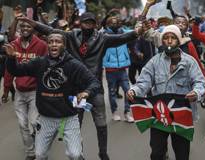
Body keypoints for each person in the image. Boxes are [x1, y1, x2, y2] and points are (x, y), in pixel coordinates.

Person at [18, 12, 141, 160]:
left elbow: (122, 38)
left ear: (95, 25)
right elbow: (51, 31)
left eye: (90, 23)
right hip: (75, 90)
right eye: (85, 23)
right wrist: (32, 23)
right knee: (75, 125)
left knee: (101, 123)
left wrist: (137, 32)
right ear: (80, 23)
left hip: (94, 88)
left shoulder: (103, 38)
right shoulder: (70, 36)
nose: (87, 26)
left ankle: (103, 153)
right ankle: (79, 155)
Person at [4, 31, 101, 160]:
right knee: (40, 155)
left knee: (75, 154)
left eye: (58, 42)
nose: (53, 44)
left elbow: (94, 82)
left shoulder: (73, 65)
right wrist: (11, 58)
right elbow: (16, 70)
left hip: (69, 118)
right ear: (47, 45)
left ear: (64, 45)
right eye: (50, 42)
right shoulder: (39, 63)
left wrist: (86, 92)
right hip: (46, 118)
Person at [127, 25, 205, 160]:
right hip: (159, 114)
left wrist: (196, 93)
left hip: (181, 117)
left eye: (173, 38)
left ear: (179, 40)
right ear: (162, 41)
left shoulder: (189, 62)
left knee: (182, 154)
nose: (169, 41)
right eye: (166, 38)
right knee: (157, 153)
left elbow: (200, 83)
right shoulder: (154, 61)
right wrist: (134, 90)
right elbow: (144, 82)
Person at [2, 19, 48, 160]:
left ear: (34, 29)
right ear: (20, 29)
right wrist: (5, 90)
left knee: (35, 122)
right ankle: (30, 152)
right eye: (23, 26)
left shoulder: (41, 45)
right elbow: (9, 71)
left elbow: (47, 67)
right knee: (22, 124)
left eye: (29, 26)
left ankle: (42, 146)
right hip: (20, 93)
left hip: (35, 91)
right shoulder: (14, 45)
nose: (26, 28)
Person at [101, 16, 135, 122]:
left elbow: (136, 30)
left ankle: (127, 113)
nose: (115, 25)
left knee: (128, 91)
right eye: (112, 23)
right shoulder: (103, 35)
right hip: (110, 70)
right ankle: (114, 112)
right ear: (107, 24)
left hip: (122, 70)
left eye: (116, 22)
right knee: (112, 92)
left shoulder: (124, 32)